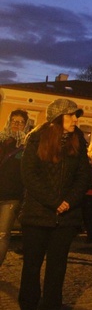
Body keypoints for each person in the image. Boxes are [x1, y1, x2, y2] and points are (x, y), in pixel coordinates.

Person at [18, 99, 90, 310]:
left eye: (76, 116)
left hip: (66, 218)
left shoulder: (78, 142)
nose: (76, 120)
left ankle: (51, 309)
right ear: (57, 119)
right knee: (32, 265)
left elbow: (83, 176)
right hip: (37, 215)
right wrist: (54, 201)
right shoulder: (36, 139)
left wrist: (68, 201)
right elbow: (30, 176)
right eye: (71, 116)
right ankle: (29, 307)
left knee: (57, 268)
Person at [0, 109, 29, 267]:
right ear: (9, 122)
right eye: (14, 121)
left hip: (11, 195)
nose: (17, 125)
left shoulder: (26, 146)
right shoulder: (1, 140)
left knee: (3, 235)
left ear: (25, 125)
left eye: (21, 122)